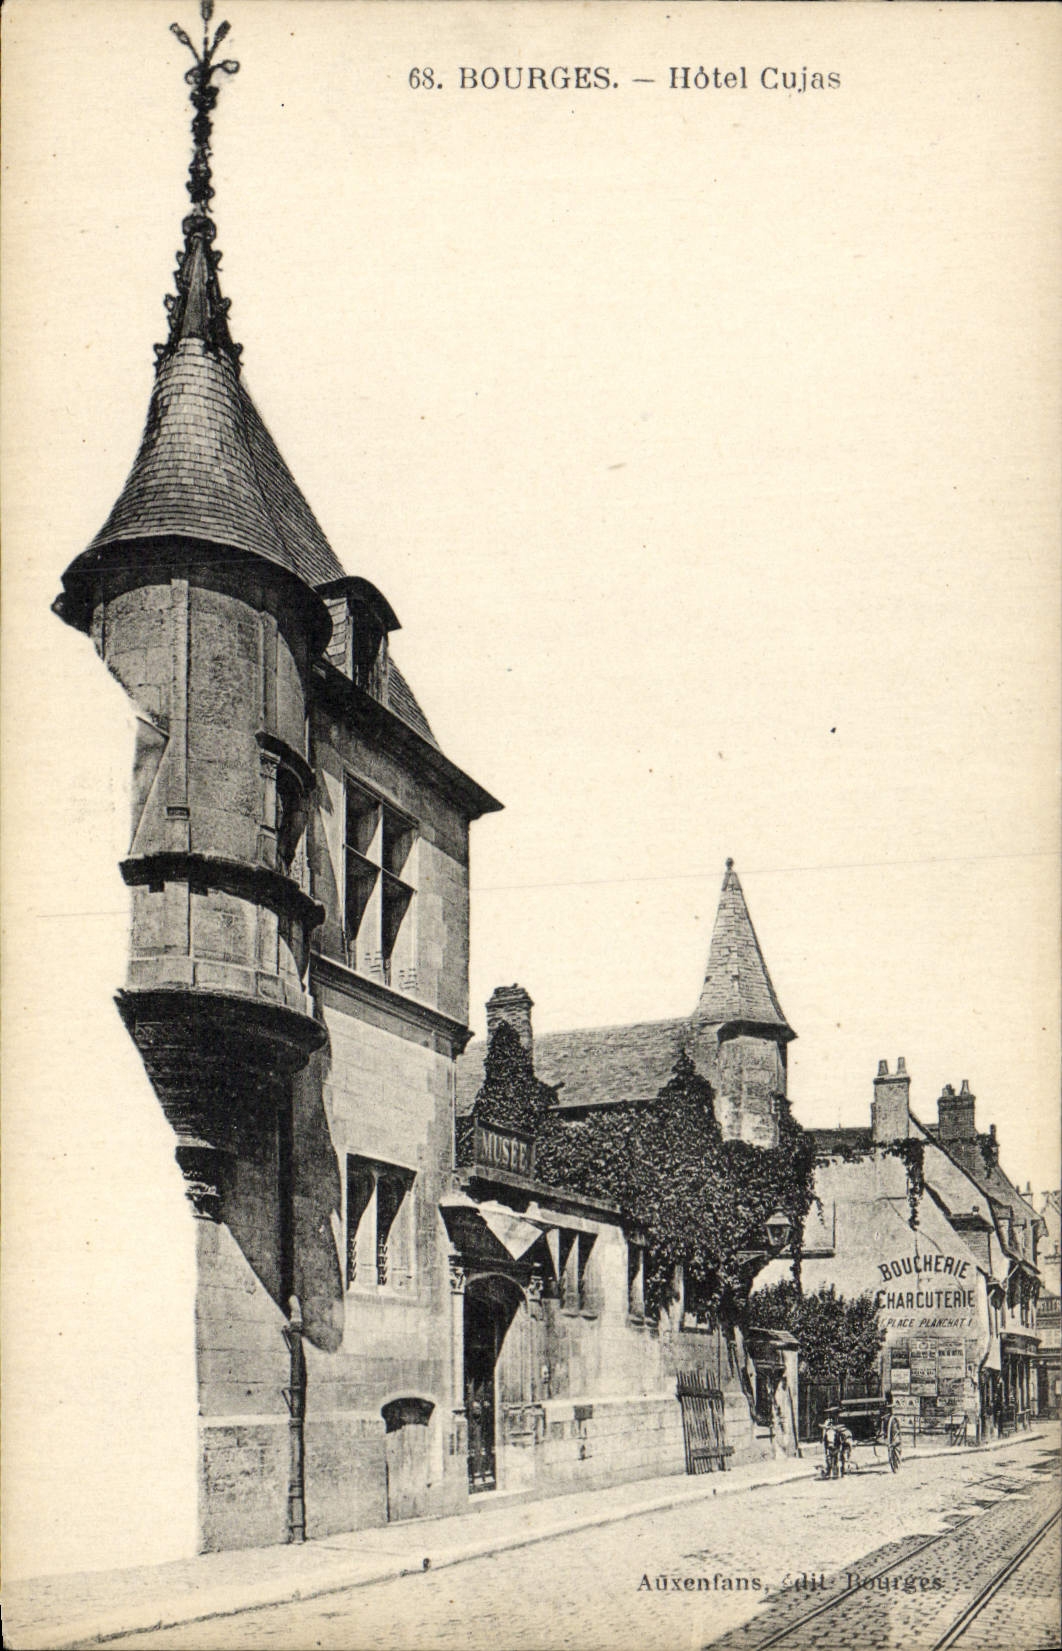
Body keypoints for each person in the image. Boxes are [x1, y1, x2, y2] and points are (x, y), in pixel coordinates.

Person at [822, 1407, 852, 1478]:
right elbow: (825, 1431)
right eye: (832, 1413)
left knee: (840, 1456)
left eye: (835, 1413)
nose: (833, 1415)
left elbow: (844, 1429)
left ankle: (841, 1470)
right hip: (830, 1440)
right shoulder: (827, 1422)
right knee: (829, 1457)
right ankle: (829, 1471)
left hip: (839, 1440)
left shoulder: (840, 1420)